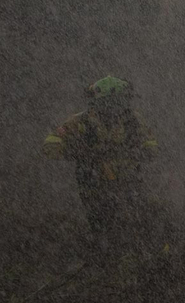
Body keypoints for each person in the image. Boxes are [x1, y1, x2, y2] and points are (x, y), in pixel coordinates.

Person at [43, 76, 159, 242]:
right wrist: (77, 152)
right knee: (102, 225)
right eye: (117, 102)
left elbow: (152, 147)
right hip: (93, 183)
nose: (119, 108)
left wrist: (134, 152)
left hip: (128, 182)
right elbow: (49, 145)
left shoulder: (134, 121)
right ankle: (106, 252)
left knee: (137, 222)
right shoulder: (80, 121)